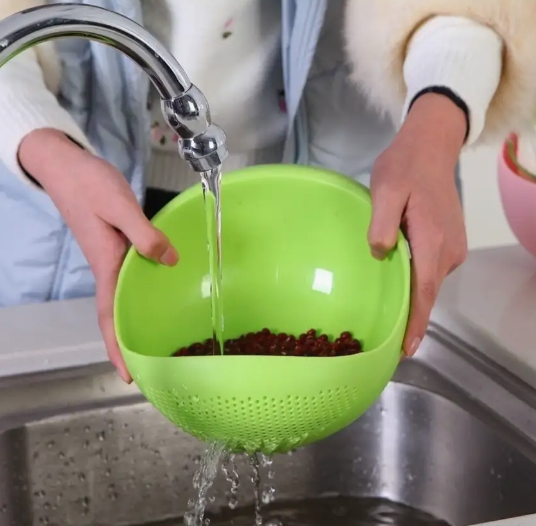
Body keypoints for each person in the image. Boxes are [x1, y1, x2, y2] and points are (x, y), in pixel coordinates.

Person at [1, 0, 535, 383]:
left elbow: (466, 12)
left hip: (340, 209)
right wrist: (45, 148)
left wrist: (436, 129)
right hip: (73, 214)